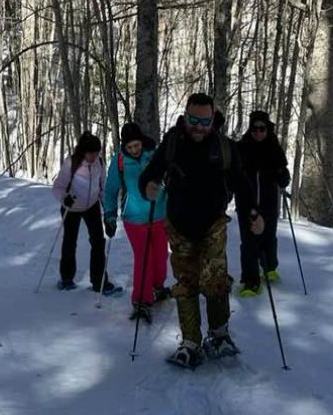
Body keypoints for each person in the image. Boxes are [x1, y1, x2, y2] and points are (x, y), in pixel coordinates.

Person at [139, 92, 264, 368]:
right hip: (179, 226)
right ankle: (190, 342)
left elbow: (242, 185)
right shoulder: (173, 142)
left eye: (204, 121)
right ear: (185, 117)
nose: (198, 126)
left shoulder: (224, 148)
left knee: (215, 279)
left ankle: (219, 335)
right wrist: (147, 186)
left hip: (213, 225)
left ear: (212, 120)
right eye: (193, 119)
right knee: (186, 285)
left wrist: (254, 214)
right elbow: (151, 172)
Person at [103, 122, 170, 321]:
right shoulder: (120, 160)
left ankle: (157, 287)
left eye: (136, 145)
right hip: (134, 218)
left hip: (159, 214)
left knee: (160, 257)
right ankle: (141, 299)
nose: (134, 150)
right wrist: (110, 215)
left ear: (142, 141)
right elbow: (111, 189)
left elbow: (169, 176)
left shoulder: (155, 153)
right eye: (129, 147)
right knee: (144, 258)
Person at [51, 131, 118, 295]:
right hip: (71, 207)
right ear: (83, 151)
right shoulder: (71, 163)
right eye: (90, 153)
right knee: (70, 241)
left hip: (92, 206)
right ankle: (66, 278)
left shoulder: (100, 163)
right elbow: (58, 187)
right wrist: (64, 198)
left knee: (98, 242)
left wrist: (109, 212)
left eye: (96, 152)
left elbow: (103, 188)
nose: (93, 156)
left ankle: (99, 281)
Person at [236, 110, 291, 296]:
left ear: (268, 129)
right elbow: (233, 175)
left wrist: (283, 176)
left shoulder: (274, 147)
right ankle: (251, 281)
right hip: (247, 204)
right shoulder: (242, 148)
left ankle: (269, 267)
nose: (258, 132)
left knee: (268, 236)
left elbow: (284, 176)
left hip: (269, 202)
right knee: (249, 242)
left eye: (262, 128)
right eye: (255, 129)